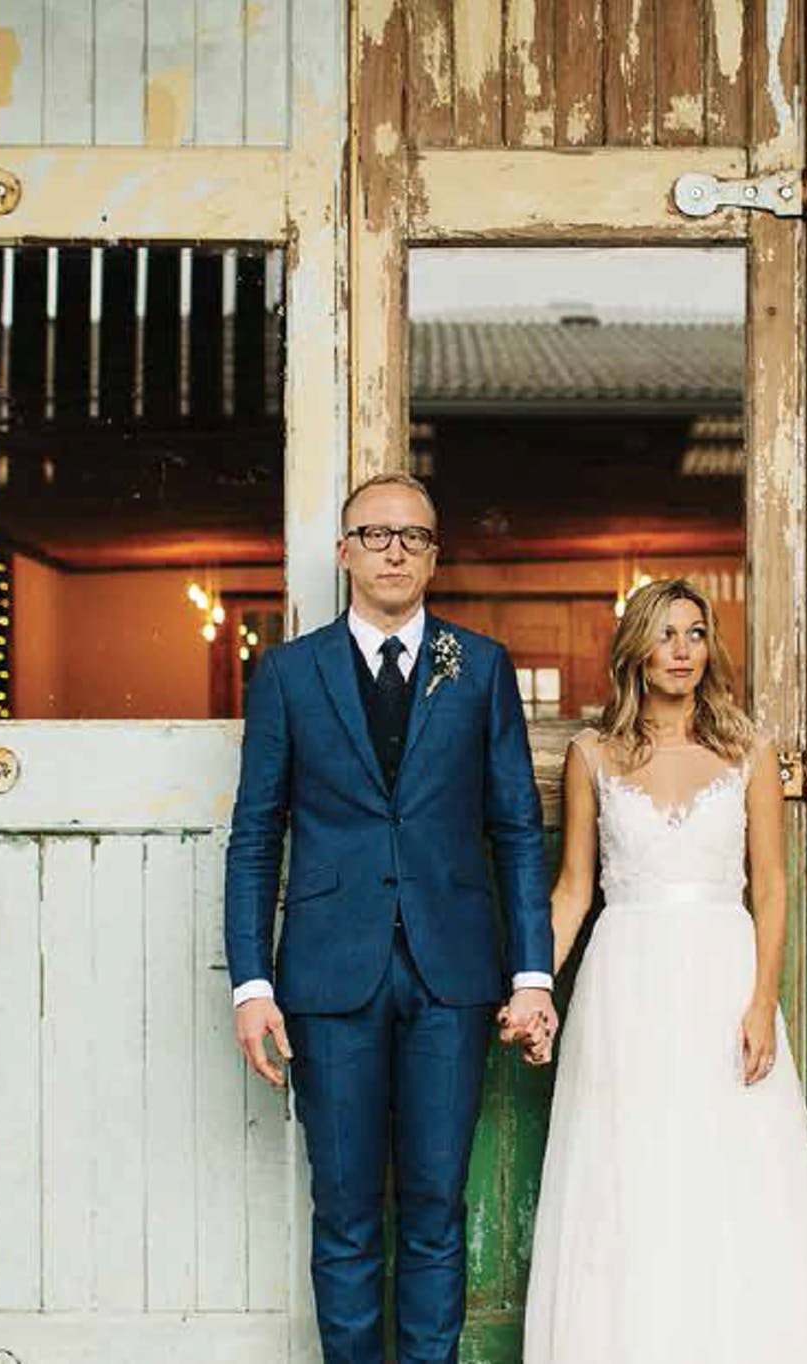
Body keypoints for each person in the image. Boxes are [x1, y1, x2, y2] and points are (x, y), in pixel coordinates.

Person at [223, 471, 558, 1364]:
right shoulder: (289, 675)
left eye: (413, 536)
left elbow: (516, 827)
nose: (395, 549)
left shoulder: (479, 667)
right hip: (328, 980)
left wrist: (531, 972)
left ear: (435, 556)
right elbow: (257, 835)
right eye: (375, 534)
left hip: (453, 977)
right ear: (344, 553)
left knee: (436, 1209)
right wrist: (252, 984)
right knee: (342, 1212)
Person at [511, 577, 807, 1364]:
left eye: (695, 634)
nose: (682, 651)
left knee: (730, 1170)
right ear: (636, 648)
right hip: (625, 979)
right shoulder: (592, 755)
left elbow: (768, 885)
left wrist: (763, 1000)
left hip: (721, 976)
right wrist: (534, 985)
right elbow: (572, 890)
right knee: (629, 1173)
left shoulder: (748, 752)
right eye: (666, 635)